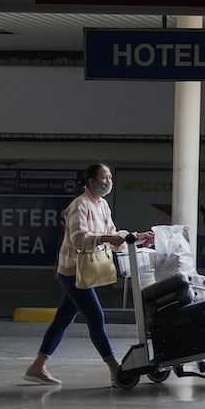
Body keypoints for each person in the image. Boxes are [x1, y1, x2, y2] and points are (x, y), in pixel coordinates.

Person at [24, 163, 154, 386]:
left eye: (110, 177)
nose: (109, 182)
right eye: (105, 178)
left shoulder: (102, 205)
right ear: (91, 182)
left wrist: (137, 236)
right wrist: (104, 239)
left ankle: (37, 367)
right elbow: (78, 239)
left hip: (83, 270)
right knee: (96, 318)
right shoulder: (79, 206)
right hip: (73, 271)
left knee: (62, 320)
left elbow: (112, 234)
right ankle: (115, 369)